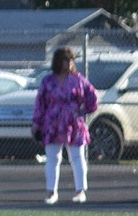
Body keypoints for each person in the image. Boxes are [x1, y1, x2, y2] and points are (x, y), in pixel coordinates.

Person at [32, 47, 98, 205]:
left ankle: (80, 190)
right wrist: (37, 123)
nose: (69, 63)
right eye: (65, 59)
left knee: (77, 157)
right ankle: (51, 192)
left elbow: (93, 97)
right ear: (57, 61)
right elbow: (40, 103)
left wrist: (83, 111)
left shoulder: (78, 79)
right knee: (53, 158)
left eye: (71, 60)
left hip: (74, 123)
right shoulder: (48, 81)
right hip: (52, 123)